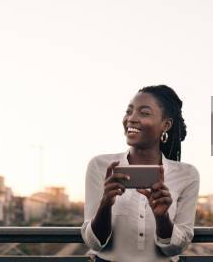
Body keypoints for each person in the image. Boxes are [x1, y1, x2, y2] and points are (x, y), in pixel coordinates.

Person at [81, 85, 200, 262]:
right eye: (129, 111)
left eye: (144, 113)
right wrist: (105, 205)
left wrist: (162, 217)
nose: (131, 119)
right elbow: (94, 243)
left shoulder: (187, 174)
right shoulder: (100, 166)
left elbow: (178, 247)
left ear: (165, 125)